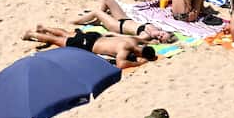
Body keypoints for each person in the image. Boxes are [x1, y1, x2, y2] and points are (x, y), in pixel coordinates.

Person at [21, 26, 157, 69]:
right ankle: (32, 34)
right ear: (141, 54)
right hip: (90, 45)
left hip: (95, 36)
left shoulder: (132, 41)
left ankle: (44, 27)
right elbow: (121, 64)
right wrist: (137, 64)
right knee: (57, 40)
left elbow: (141, 39)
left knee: (67, 34)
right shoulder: (125, 50)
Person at [72, 0, 176, 44]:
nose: (160, 35)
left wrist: (111, 34)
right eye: (163, 34)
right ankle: (98, 19)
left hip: (117, 26)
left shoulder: (146, 36)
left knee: (96, 12)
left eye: (160, 38)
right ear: (165, 31)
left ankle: (75, 22)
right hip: (125, 18)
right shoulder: (156, 28)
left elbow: (130, 37)